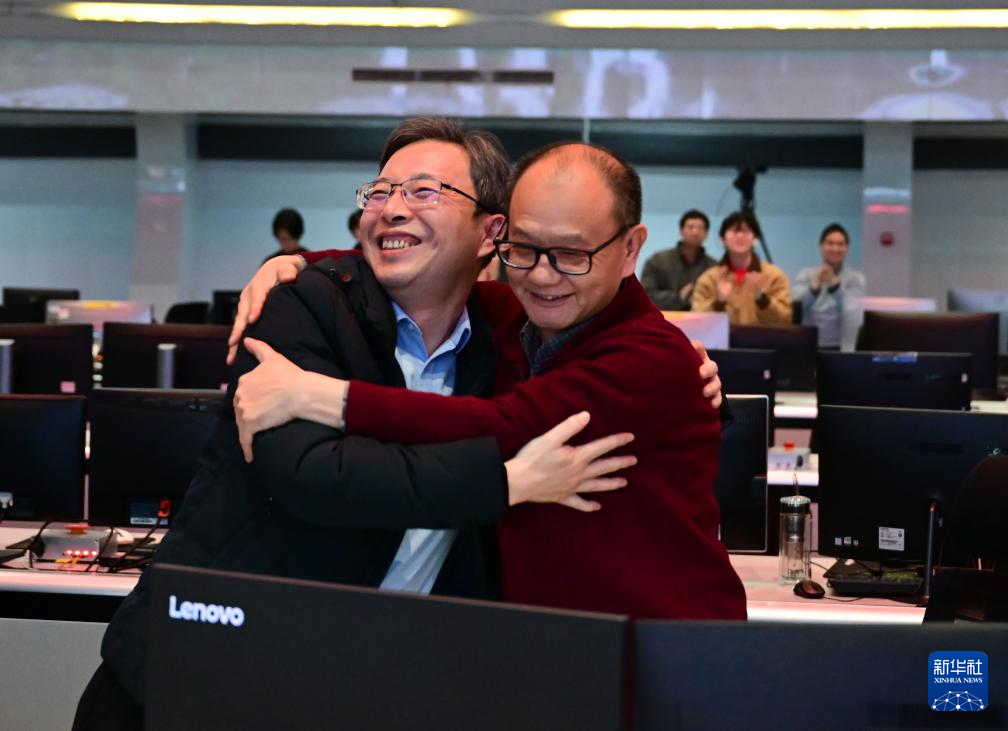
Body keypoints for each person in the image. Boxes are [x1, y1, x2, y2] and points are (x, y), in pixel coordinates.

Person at [72, 119, 638, 731]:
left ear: (490, 231)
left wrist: (691, 363)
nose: (391, 209)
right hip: (205, 672)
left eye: (424, 192)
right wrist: (503, 482)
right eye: (379, 192)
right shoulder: (301, 305)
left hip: (361, 685)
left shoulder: (504, 343)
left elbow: (606, 323)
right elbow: (314, 473)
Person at [230, 140, 746, 620]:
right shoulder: (519, 313)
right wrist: (300, 264)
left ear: (631, 248)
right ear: (501, 237)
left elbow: (504, 424)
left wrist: (326, 398)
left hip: (662, 637)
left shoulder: (651, 354)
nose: (542, 275)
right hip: (543, 639)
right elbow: (432, 265)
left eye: (572, 255)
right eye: (523, 249)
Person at [691, 210, 791, 325]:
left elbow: (785, 320)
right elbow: (696, 321)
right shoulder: (709, 278)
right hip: (721, 337)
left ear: (755, 239)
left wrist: (762, 299)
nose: (740, 236)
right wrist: (718, 301)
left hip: (762, 337)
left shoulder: (774, 276)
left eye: (746, 231)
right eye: (734, 231)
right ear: (722, 239)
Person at [792, 223, 866, 347]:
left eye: (840, 244)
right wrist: (814, 288)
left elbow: (854, 311)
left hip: (843, 346)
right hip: (808, 346)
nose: (835, 248)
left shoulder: (856, 278)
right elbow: (795, 308)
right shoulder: (805, 275)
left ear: (847, 248)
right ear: (821, 246)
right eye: (830, 243)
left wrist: (835, 287)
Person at [640, 209, 716, 310]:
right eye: (690, 227)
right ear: (681, 231)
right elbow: (646, 295)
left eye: (700, 228)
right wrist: (678, 297)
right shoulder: (657, 260)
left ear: (706, 234)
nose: (695, 232)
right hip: (664, 318)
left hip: (704, 319)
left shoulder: (714, 266)